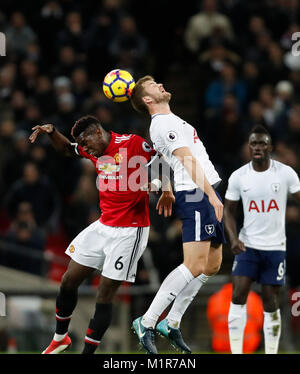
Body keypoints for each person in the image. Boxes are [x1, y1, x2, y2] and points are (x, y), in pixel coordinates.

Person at [29, 115, 174, 354]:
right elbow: (67, 149)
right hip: (103, 225)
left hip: (131, 230)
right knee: (68, 280)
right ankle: (60, 338)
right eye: (83, 147)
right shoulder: (93, 151)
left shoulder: (133, 143)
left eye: (86, 143)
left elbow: (163, 159)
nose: (85, 150)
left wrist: (163, 187)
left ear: (98, 132)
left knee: (105, 292)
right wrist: (53, 131)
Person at [130, 76, 225, 354]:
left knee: (212, 265)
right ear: (147, 100)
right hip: (197, 193)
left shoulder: (169, 121)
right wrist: (208, 194)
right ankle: (146, 321)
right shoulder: (162, 123)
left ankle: (171, 323)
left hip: (205, 189)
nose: (160, 85)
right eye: (152, 86)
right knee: (194, 264)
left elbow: (161, 159)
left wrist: (165, 186)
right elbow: (186, 160)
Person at [224, 124, 300, 354]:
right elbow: (228, 210)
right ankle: (236, 351)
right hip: (248, 245)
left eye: (262, 143)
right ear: (249, 147)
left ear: (270, 147)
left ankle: (271, 351)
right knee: (237, 294)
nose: (257, 147)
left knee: (271, 302)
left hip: (275, 247)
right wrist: (234, 239)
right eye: (254, 143)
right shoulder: (239, 176)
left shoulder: (286, 173)